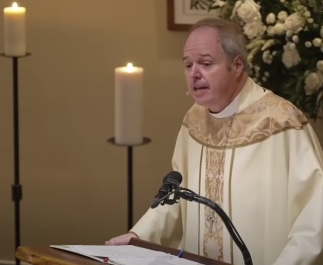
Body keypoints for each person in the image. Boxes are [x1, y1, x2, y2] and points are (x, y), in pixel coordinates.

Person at [105, 17, 323, 264]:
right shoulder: (193, 121)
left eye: (205, 63)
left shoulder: (281, 123)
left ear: (237, 64)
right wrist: (138, 235)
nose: (194, 74)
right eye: (188, 65)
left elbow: (315, 215)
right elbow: (177, 199)